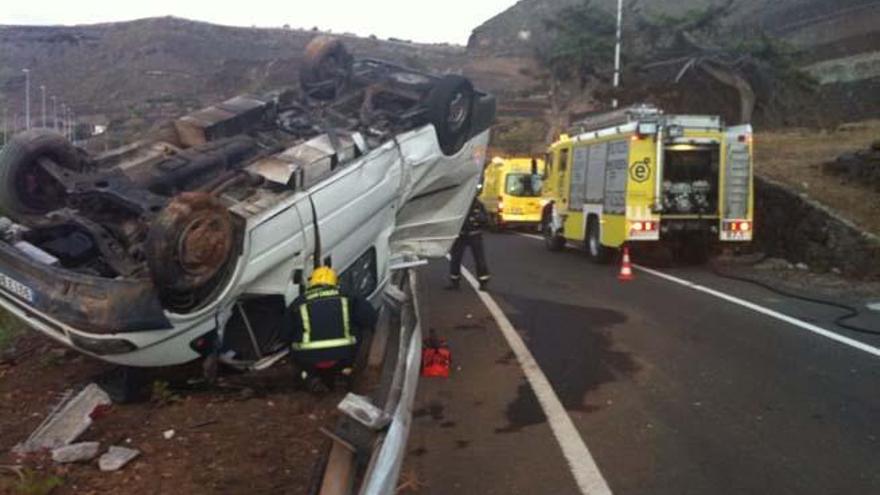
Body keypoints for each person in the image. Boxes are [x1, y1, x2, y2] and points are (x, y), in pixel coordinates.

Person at [285, 266, 378, 393]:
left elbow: (285, 333)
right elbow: (370, 318)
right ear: (334, 282)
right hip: (344, 354)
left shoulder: (298, 303)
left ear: (312, 282)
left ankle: (309, 377)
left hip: (309, 358)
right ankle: (345, 373)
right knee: (362, 331)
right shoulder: (349, 296)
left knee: (294, 348)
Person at [448, 196, 491, 290]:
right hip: (461, 235)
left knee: (480, 260)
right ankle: (454, 282)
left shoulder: (478, 204)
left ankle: (483, 283)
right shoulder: (458, 202)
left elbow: (486, 219)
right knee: (455, 259)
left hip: (474, 235)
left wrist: (477, 219)